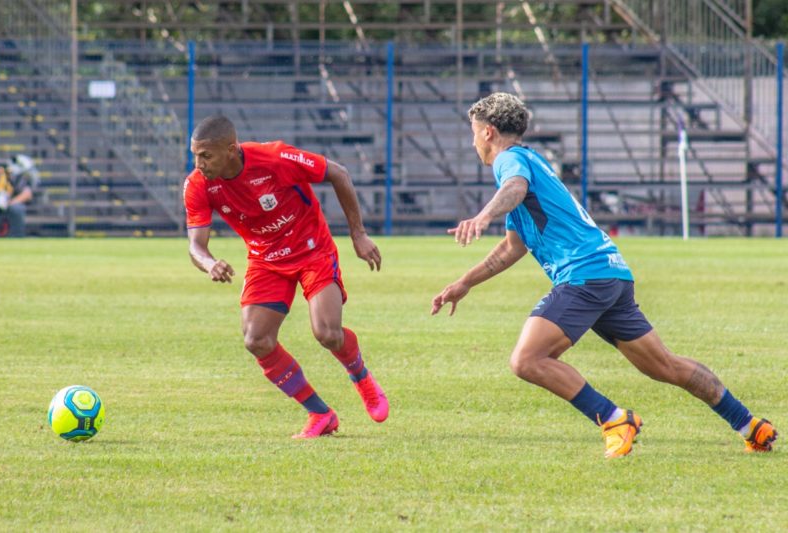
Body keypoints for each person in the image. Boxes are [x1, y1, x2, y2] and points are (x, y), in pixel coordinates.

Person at [430, 92, 777, 458]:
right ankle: (750, 425)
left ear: (488, 132)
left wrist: (483, 216)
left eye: (473, 133)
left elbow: (513, 186)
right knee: (664, 365)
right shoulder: (533, 164)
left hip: (584, 275)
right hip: (611, 273)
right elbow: (512, 247)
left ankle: (614, 420)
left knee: (527, 360)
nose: (473, 142)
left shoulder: (510, 160)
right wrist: (465, 282)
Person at [183, 115, 389, 439]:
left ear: (231, 149)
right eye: (195, 155)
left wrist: (358, 234)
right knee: (256, 340)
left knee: (327, 333)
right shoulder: (198, 184)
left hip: (312, 250)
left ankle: (360, 376)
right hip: (265, 259)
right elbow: (196, 246)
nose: (199, 164)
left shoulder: (275, 158)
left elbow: (338, 173)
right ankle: (320, 414)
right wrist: (209, 264)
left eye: (206, 155)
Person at [0, 156, 34, 238]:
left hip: (6, 212)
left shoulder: (8, 176)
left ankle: (16, 237)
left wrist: (11, 202)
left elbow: (27, 194)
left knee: (16, 209)